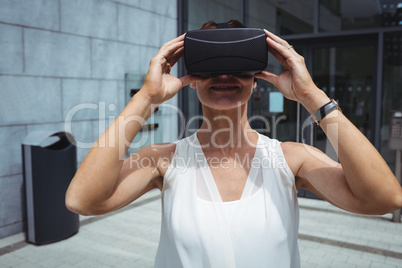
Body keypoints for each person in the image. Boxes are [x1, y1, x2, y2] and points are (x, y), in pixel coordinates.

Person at [65, 20, 402, 267]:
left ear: (255, 82)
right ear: (192, 81)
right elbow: (82, 199)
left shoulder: (290, 158)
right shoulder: (164, 160)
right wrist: (147, 97)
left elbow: (384, 198)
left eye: (239, 68)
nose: (224, 76)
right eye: (210, 67)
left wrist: (312, 96)